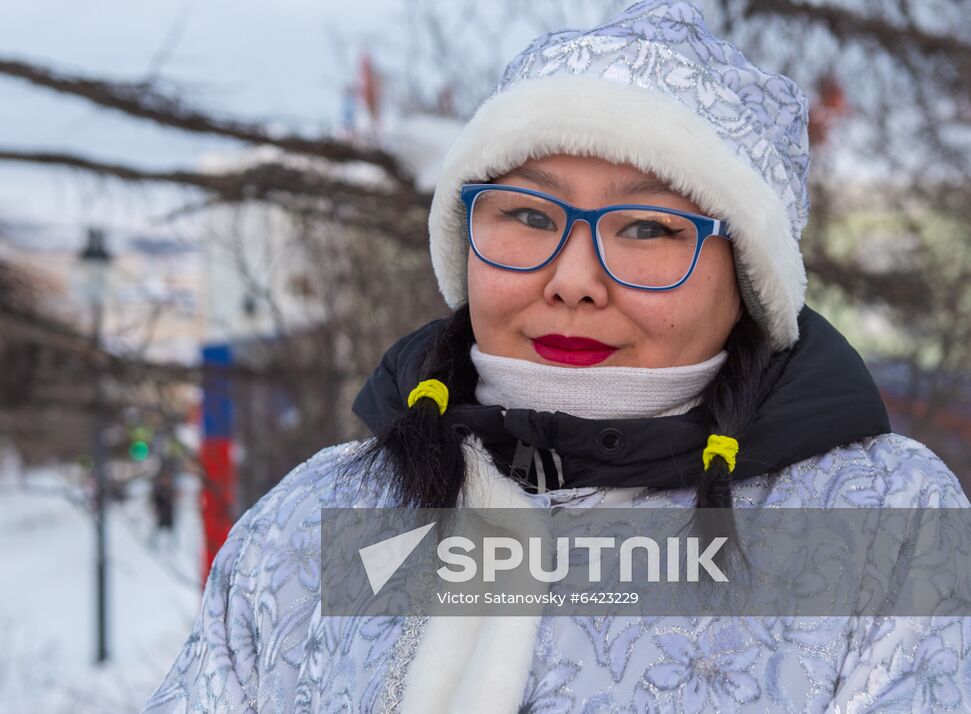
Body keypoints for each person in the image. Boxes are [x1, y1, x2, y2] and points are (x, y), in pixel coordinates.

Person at [144, 2, 971, 712]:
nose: (573, 281)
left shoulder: (880, 526)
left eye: (648, 228)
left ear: (746, 276)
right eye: (529, 217)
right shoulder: (311, 522)